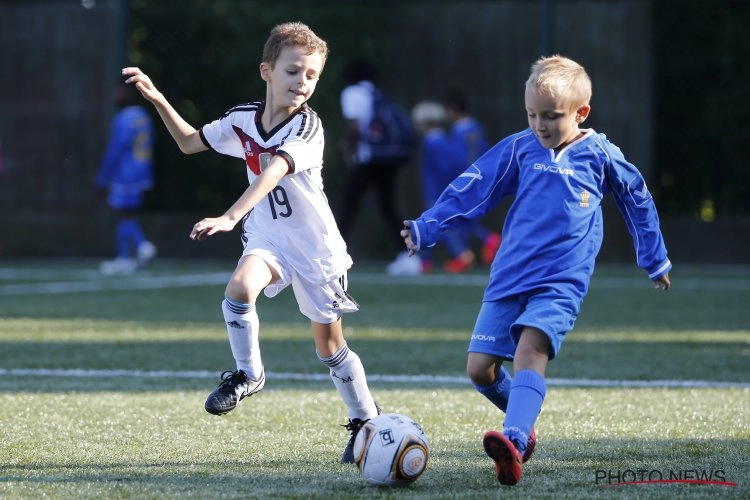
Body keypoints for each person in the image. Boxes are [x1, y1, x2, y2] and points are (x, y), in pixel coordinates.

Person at [400, 55, 672, 485]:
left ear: (581, 113)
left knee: (530, 351)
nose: (540, 125)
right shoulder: (520, 147)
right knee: (479, 370)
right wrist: (428, 226)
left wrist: (653, 257)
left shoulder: (599, 155)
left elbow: (635, 197)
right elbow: (475, 185)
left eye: (551, 116)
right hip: (508, 277)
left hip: (561, 282)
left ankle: (514, 436)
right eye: (531, 115)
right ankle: (521, 423)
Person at [122, 22, 380, 464]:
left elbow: (274, 171)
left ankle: (365, 422)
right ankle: (248, 374)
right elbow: (188, 143)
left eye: (312, 76)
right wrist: (158, 98)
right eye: (293, 71)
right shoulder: (242, 119)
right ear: (267, 71)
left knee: (330, 347)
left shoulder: (309, 127)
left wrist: (229, 216)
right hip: (268, 236)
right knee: (239, 288)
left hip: (314, 248)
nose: (302, 83)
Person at [336, 59, 418, 276]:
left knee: (349, 205)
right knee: (388, 206)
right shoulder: (377, 93)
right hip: (388, 157)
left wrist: (347, 147)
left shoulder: (352, 92)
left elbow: (355, 126)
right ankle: (407, 254)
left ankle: (332, 254)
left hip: (368, 157)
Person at [95, 83, 157, 275]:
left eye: (119, 91)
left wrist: (103, 176)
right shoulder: (144, 117)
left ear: (130, 94)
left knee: (122, 213)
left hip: (125, 172)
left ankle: (140, 245)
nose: (115, 95)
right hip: (141, 171)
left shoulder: (123, 118)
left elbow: (117, 148)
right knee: (127, 213)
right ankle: (126, 257)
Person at [410, 100, 474, 273]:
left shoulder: (433, 141)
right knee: (429, 223)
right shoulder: (439, 139)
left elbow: (443, 167)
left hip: (436, 191)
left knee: (436, 224)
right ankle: (426, 260)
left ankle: (461, 253)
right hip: (434, 190)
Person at [443, 88, 502, 269]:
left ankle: (482, 243)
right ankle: (471, 249)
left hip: (465, 179)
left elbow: (458, 159)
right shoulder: (476, 128)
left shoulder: (458, 132)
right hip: (483, 178)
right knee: (465, 215)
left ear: (452, 109)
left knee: (456, 214)